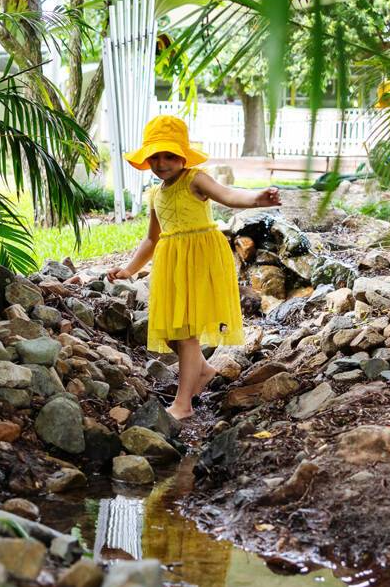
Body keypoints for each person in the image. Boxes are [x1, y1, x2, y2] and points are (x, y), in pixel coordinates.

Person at [115, 114, 280, 420]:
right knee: (172, 334)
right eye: (156, 157)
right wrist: (129, 269)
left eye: (170, 155)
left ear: (183, 156)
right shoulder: (155, 194)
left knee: (185, 331)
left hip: (200, 258)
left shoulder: (195, 179)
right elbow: (152, 239)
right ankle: (202, 370)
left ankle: (183, 404)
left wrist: (257, 198)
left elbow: (229, 195)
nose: (162, 163)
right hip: (172, 263)